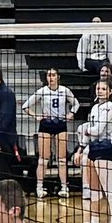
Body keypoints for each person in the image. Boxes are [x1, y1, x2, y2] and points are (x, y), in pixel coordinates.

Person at [73, 79, 112, 223]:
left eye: (103, 89)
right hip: (92, 149)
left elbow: (98, 129)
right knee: (93, 190)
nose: (100, 91)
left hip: (105, 149)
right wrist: (80, 149)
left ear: (110, 91)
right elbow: (88, 132)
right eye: (98, 88)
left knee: (110, 190)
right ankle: (94, 222)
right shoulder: (94, 108)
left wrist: (84, 129)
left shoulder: (110, 107)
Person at [23, 68, 77, 198]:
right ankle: (39, 188)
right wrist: (36, 116)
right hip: (46, 125)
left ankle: (64, 187)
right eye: (48, 75)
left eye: (53, 75)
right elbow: (25, 106)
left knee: (62, 160)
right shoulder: (42, 91)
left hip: (60, 125)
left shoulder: (65, 91)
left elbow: (76, 104)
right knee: (43, 159)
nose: (50, 77)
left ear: (58, 77)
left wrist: (71, 114)